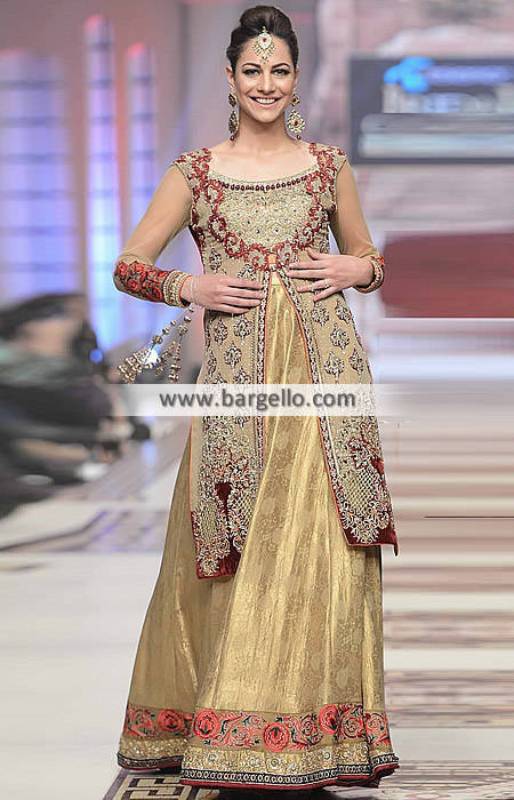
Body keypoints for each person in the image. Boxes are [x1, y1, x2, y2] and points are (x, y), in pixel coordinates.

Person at [113, 5, 400, 793]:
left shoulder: (328, 166)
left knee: (319, 541)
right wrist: (191, 285)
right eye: (252, 71)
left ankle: (318, 733)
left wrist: (356, 269)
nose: (266, 84)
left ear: (296, 79)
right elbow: (130, 265)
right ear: (231, 78)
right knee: (236, 538)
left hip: (327, 374)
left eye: (279, 71)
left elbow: (368, 255)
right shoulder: (196, 172)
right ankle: (226, 721)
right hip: (238, 381)